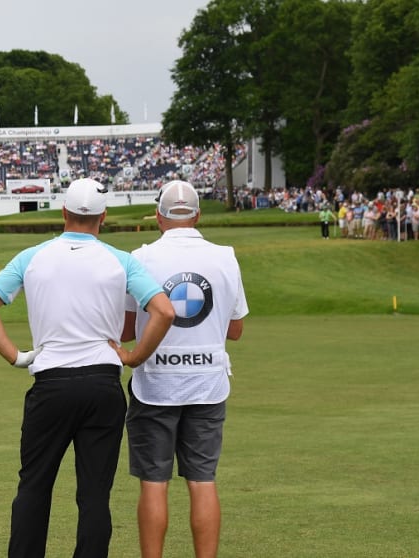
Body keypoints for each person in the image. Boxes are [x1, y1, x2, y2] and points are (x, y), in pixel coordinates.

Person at [0, 177, 175, 558]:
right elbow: (164, 310)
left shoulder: (32, 256)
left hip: (51, 385)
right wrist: (133, 356)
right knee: (95, 495)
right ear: (103, 218)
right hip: (102, 384)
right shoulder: (121, 260)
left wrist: (16, 357)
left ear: (63, 213)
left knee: (34, 486)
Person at [116, 180, 249, 558]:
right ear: (197, 216)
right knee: (202, 480)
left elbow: (127, 330)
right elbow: (235, 329)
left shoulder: (139, 257)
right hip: (208, 383)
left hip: (154, 384)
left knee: (154, 484)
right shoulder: (225, 255)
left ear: (158, 217)